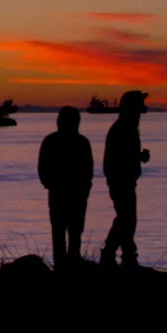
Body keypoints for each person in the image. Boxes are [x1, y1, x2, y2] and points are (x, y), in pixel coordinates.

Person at [99, 90, 151, 269]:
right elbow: (118, 157)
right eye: (140, 104)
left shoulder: (127, 126)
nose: (143, 109)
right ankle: (122, 255)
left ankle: (120, 254)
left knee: (126, 218)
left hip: (125, 180)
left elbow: (124, 154)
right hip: (121, 181)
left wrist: (138, 157)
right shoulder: (123, 128)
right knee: (126, 218)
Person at [37, 106, 94, 269]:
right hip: (62, 193)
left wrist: (85, 188)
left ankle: (69, 262)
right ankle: (64, 264)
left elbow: (88, 169)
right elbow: (43, 168)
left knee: (72, 230)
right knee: (62, 230)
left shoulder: (79, 142)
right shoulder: (55, 141)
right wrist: (51, 185)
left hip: (72, 193)